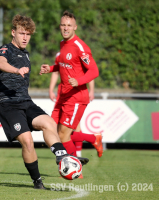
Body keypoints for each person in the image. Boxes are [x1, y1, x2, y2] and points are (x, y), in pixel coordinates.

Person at [0, 14, 89, 189]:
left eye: (28, 34)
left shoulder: (26, 54)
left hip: (25, 101)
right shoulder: (6, 49)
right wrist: (16, 70)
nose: (25, 38)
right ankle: (37, 182)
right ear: (13, 33)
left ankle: (62, 156)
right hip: (7, 103)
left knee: (49, 123)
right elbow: (0, 63)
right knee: (28, 141)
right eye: (22, 33)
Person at [40, 11, 101, 167]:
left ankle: (73, 167)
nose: (65, 28)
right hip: (64, 96)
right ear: (60, 26)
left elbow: (94, 71)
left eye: (69, 25)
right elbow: (64, 67)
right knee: (52, 131)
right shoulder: (63, 43)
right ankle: (93, 139)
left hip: (76, 97)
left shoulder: (80, 47)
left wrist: (79, 81)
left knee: (62, 135)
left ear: (75, 27)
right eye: (63, 25)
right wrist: (51, 68)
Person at [49, 55, 102, 158]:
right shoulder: (59, 55)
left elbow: (89, 72)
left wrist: (91, 90)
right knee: (53, 130)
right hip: (62, 95)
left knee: (71, 129)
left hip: (74, 96)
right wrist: (51, 89)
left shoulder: (79, 52)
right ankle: (93, 139)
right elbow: (56, 71)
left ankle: (77, 155)